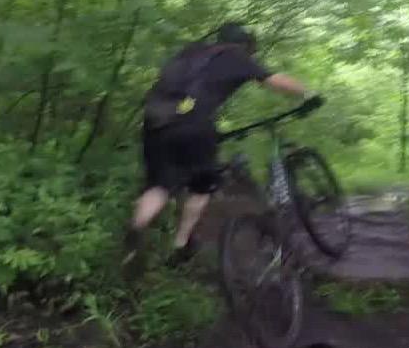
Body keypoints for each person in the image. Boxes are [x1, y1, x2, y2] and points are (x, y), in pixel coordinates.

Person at [124, 22, 315, 268]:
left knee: (159, 185)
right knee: (201, 186)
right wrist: (307, 93)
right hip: (195, 125)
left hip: (155, 123)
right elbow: (273, 80)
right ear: (244, 44)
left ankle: (137, 225)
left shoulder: (191, 53)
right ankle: (181, 244)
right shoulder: (236, 56)